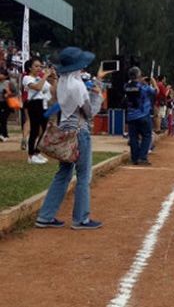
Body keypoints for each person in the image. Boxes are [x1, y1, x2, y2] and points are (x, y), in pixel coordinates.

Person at [35, 47, 110, 230]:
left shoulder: (63, 82)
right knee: (84, 175)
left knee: (64, 173)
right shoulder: (76, 85)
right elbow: (89, 112)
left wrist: (96, 81)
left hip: (66, 130)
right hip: (79, 132)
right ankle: (81, 219)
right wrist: (97, 95)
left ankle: (45, 216)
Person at [23, 57, 54, 164]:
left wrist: (54, 78)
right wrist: (45, 76)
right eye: (36, 66)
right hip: (33, 104)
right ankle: (31, 156)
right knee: (35, 130)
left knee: (45, 129)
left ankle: (37, 152)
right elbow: (37, 87)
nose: (39, 68)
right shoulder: (27, 78)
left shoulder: (40, 78)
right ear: (29, 67)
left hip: (42, 104)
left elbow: (52, 89)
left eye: (40, 66)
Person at [124, 67, 157, 166]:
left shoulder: (126, 86)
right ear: (139, 75)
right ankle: (142, 157)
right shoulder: (143, 87)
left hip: (131, 115)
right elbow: (155, 92)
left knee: (133, 137)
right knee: (147, 136)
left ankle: (135, 158)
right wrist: (152, 81)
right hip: (143, 115)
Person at [0, 68, 18, 141]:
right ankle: (3, 134)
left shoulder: (9, 83)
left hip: (7, 103)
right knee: (1, 119)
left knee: (3, 119)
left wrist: (9, 94)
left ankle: (4, 135)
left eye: (1, 73)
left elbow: (16, 92)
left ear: (5, 76)